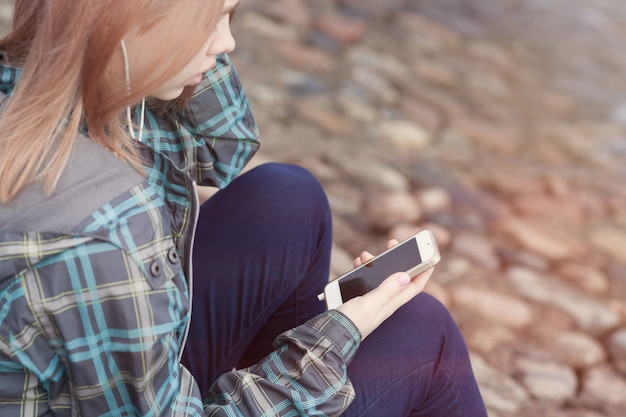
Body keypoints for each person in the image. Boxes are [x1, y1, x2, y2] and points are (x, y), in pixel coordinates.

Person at [0, 0, 487, 415]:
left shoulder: (40, 72)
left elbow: (223, 148)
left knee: (285, 198)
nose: (226, 43)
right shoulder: (103, 241)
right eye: (210, 19)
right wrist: (332, 341)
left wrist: (178, 49)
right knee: (426, 335)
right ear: (127, 22)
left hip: (115, 373)